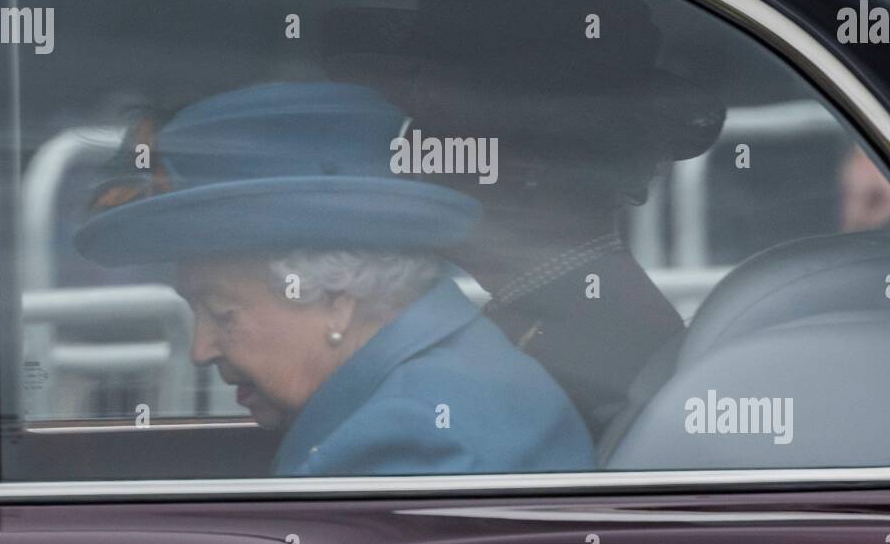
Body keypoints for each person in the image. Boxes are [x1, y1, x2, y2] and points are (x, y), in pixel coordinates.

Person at [74, 81, 595, 476]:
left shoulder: (407, 439)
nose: (200, 350)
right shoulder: (445, 370)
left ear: (339, 298)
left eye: (222, 312)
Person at [322, 0, 726, 436]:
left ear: (527, 167)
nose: (405, 152)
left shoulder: (582, 350)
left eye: (434, 129)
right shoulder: (562, 310)